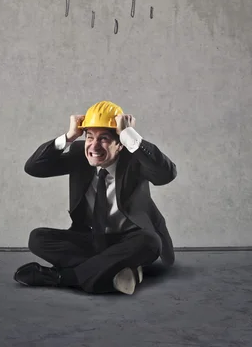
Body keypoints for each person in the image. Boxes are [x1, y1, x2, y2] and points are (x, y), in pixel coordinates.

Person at [14, 100, 177, 295]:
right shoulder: (79, 156)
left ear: (120, 144)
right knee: (38, 238)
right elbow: (34, 168)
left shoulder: (135, 159)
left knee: (150, 242)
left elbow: (166, 174)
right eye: (90, 136)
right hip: (92, 239)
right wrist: (69, 137)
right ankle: (119, 270)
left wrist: (129, 134)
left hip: (131, 239)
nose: (94, 145)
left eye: (104, 138)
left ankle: (64, 278)